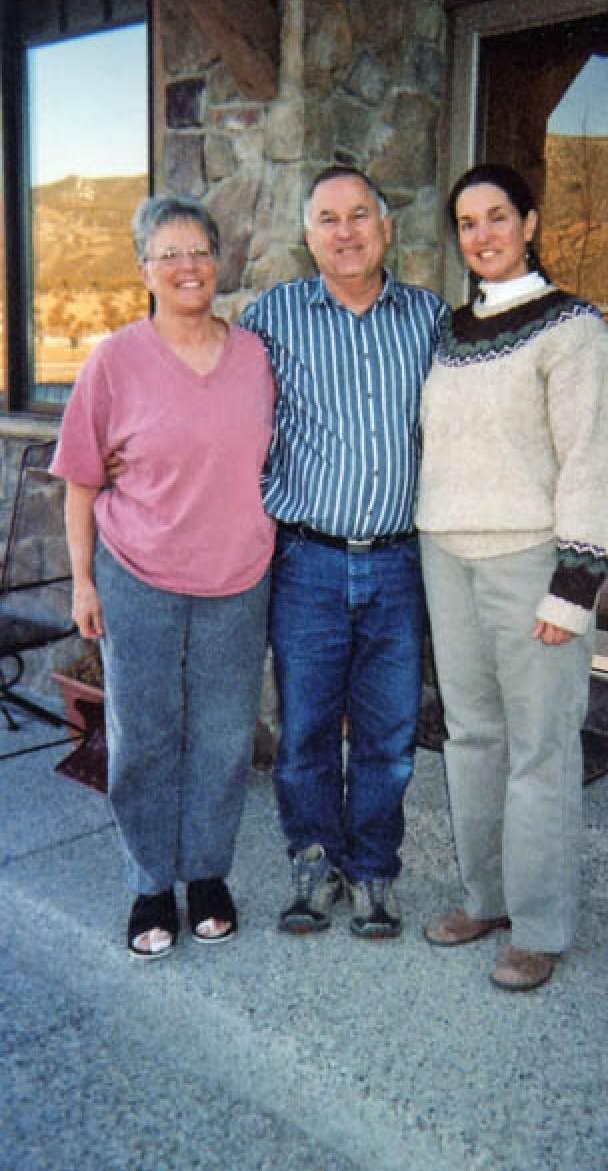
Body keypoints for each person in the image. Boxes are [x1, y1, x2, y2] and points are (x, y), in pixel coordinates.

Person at [416, 163, 608, 991]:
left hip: (531, 560)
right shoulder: (449, 333)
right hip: (446, 555)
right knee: (471, 737)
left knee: (540, 747)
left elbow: (591, 460)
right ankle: (487, 898)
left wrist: (574, 586)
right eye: (468, 223)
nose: (483, 235)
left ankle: (539, 926)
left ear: (530, 223)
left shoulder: (572, 328)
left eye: (497, 216)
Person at [51, 194, 275, 960]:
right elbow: (81, 483)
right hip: (138, 576)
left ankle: (206, 875)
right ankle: (150, 883)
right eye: (168, 254)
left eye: (199, 252)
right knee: (144, 737)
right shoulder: (113, 362)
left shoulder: (255, 358)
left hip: (237, 580)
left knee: (222, 739)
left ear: (219, 262)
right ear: (143, 269)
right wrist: (84, 583)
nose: (187, 267)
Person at [239, 166, 448, 940]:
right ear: (308, 235)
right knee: (305, 732)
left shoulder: (429, 318)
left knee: (389, 736)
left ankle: (374, 870)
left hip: (399, 562)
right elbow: (215, 401)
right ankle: (314, 862)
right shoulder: (272, 316)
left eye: (360, 215)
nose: (345, 232)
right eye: (328, 218)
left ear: (386, 227)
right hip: (309, 563)